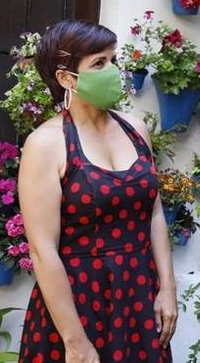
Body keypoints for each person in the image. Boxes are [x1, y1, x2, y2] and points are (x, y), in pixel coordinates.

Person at [17, 20, 176, 363]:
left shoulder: (136, 129)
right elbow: (43, 250)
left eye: (113, 60)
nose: (113, 71)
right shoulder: (46, 144)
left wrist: (167, 289)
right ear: (65, 78)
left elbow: (155, 213)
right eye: (99, 63)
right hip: (77, 306)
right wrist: (74, 341)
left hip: (139, 297)